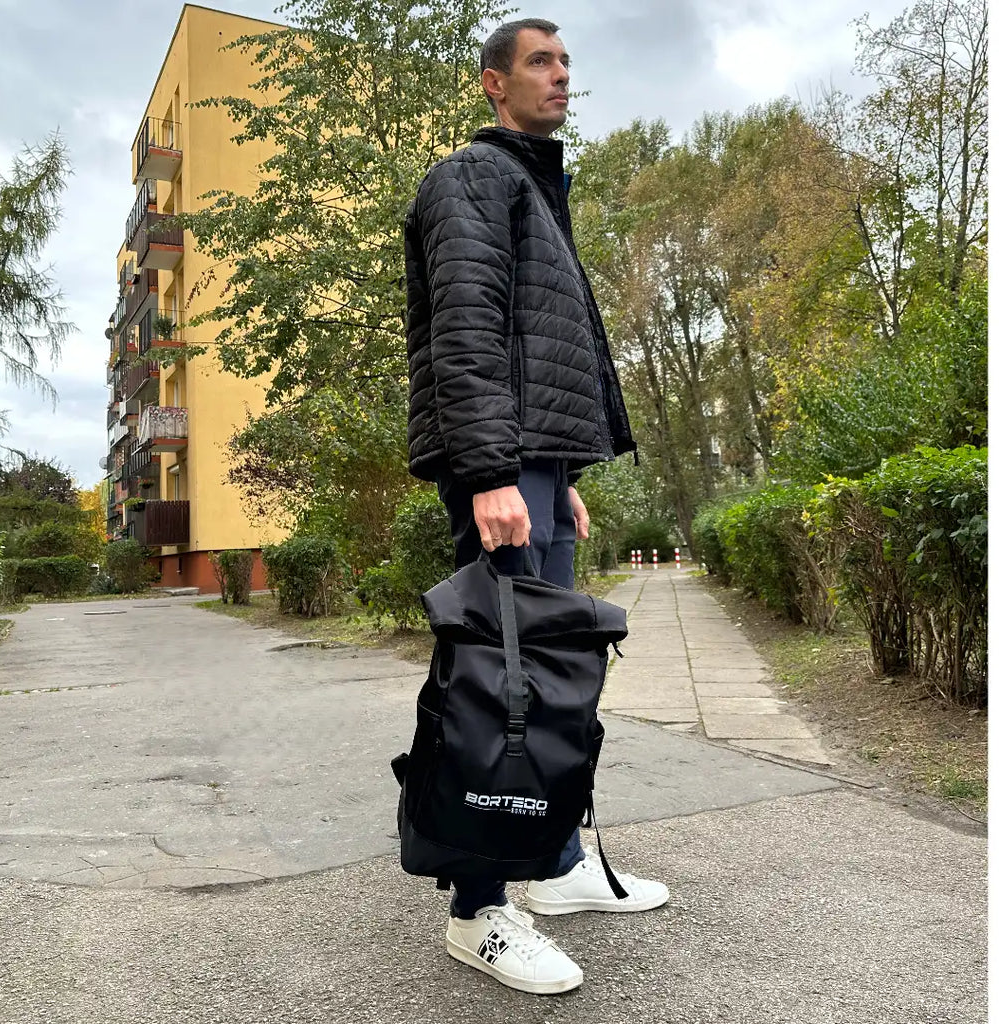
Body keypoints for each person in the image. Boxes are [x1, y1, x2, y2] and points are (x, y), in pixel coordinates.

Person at [403, 18, 669, 995]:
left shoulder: (529, 188)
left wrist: (566, 473)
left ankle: (551, 864)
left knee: (549, 677)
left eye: (566, 63)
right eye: (540, 63)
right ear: (492, 84)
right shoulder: (472, 180)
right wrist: (488, 473)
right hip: (500, 466)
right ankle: (477, 911)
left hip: (535, 465)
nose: (561, 77)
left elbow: (539, 349)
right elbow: (468, 332)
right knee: (497, 684)